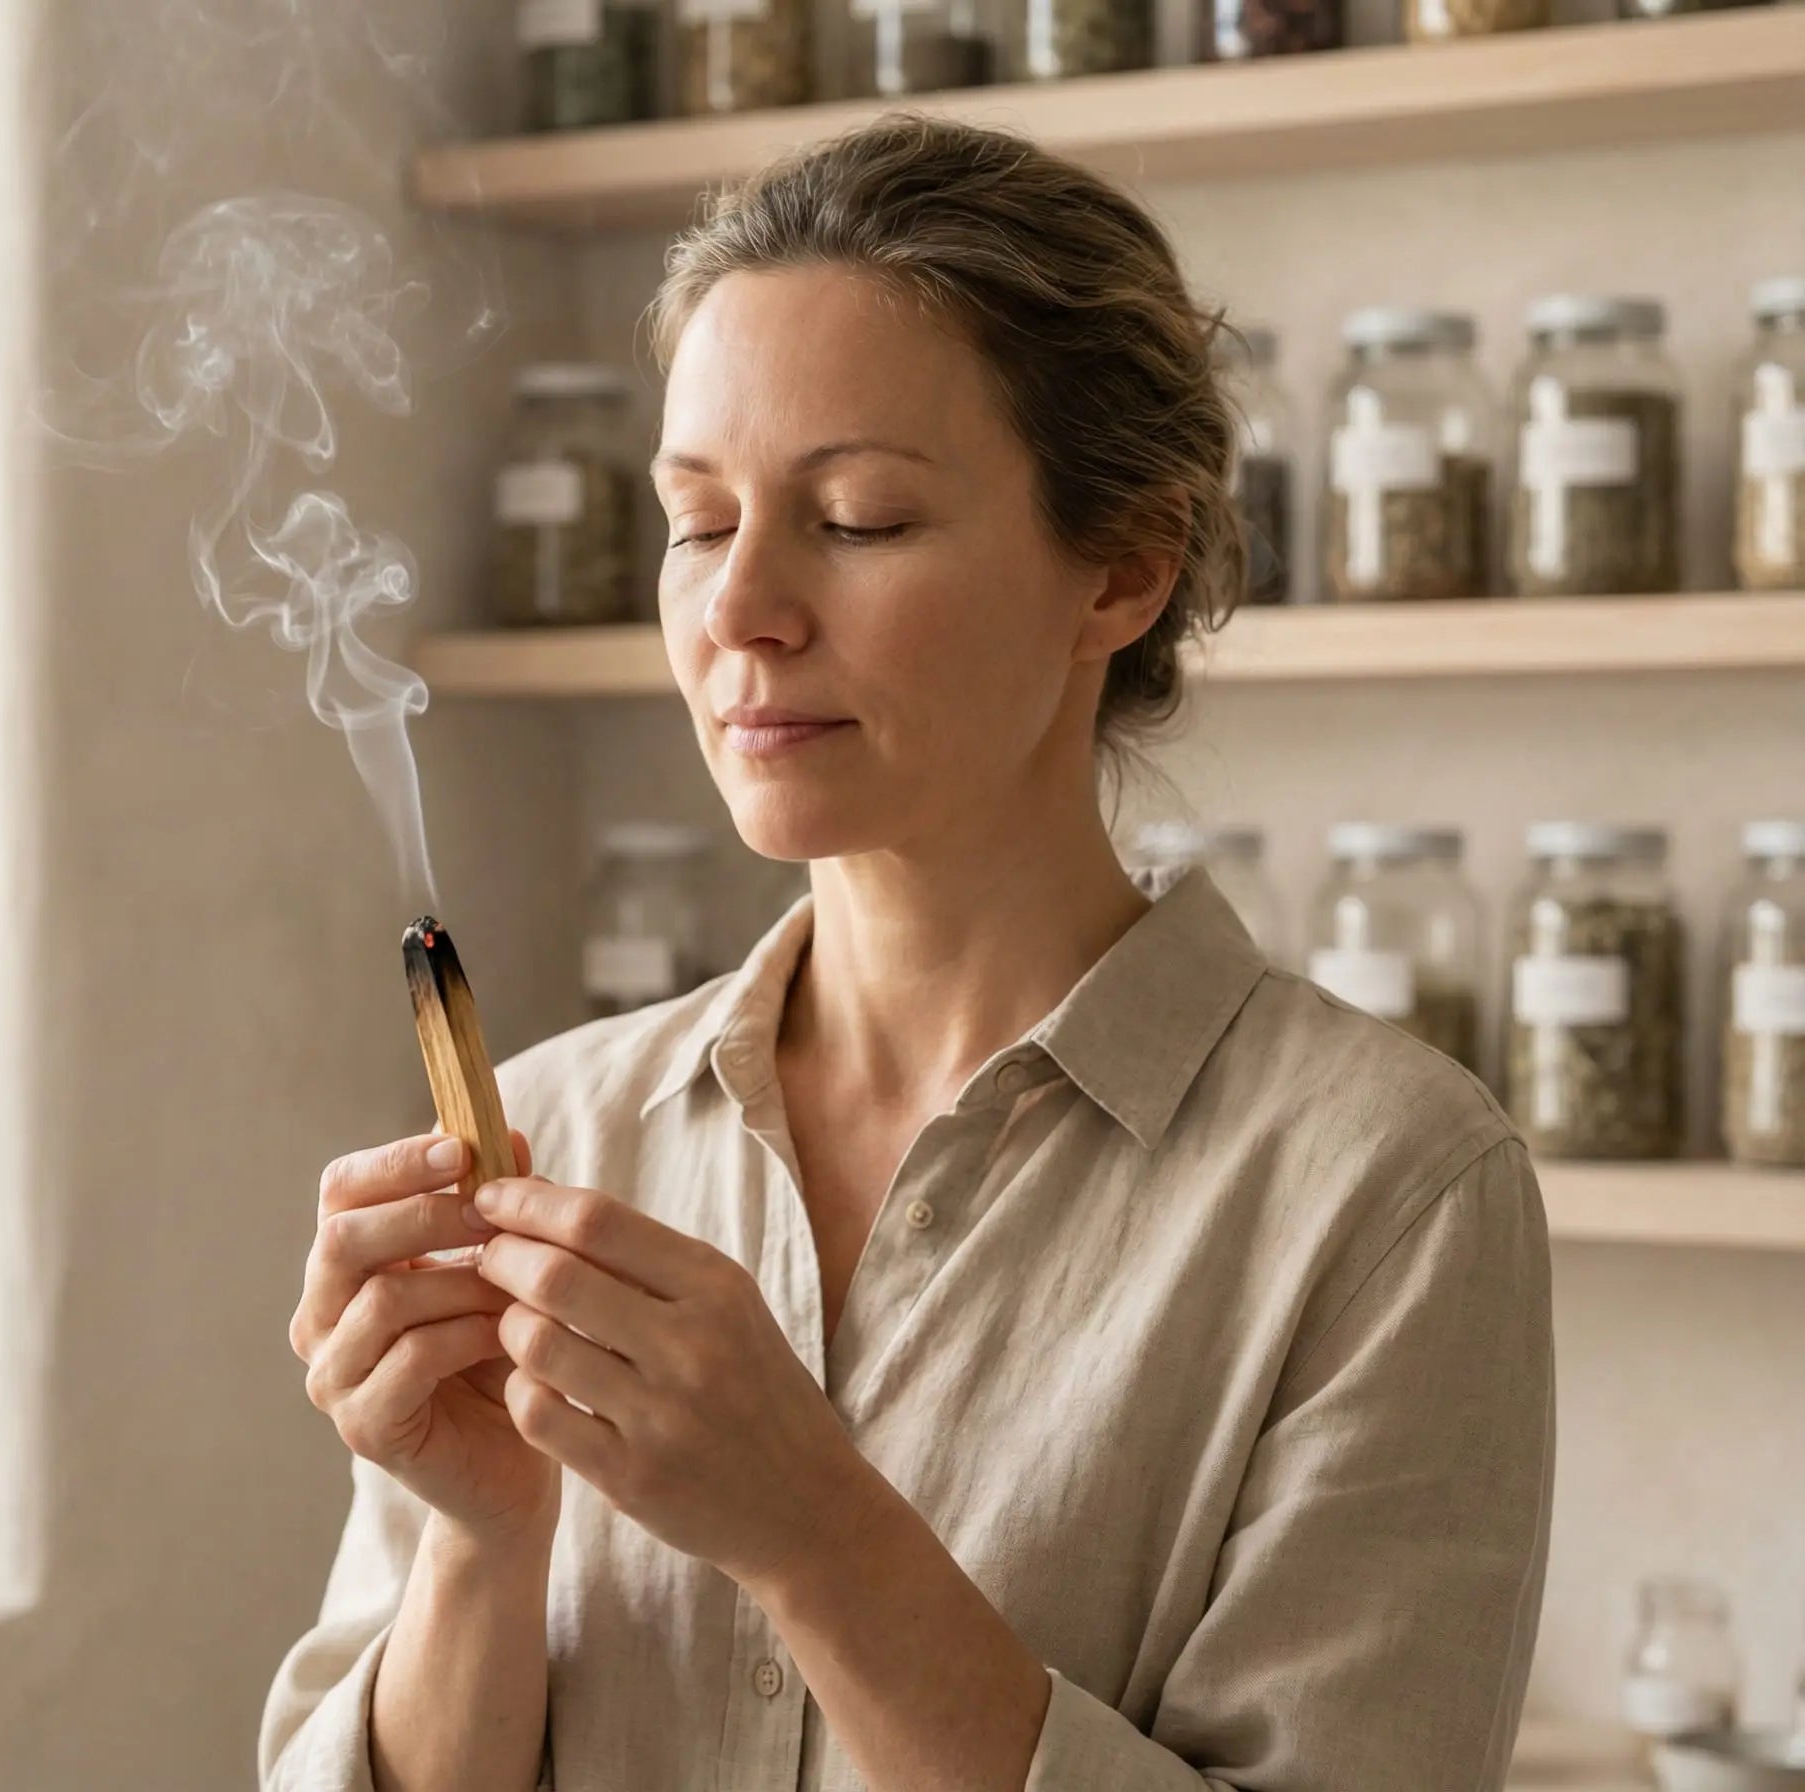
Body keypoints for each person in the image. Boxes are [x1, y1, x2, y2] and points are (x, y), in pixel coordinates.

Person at [263, 116, 1552, 1792]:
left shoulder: (1386, 1198)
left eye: (859, 520)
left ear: (1126, 567)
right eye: (698, 519)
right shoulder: (550, 1134)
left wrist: (817, 1537)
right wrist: (481, 1544)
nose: (740, 611)